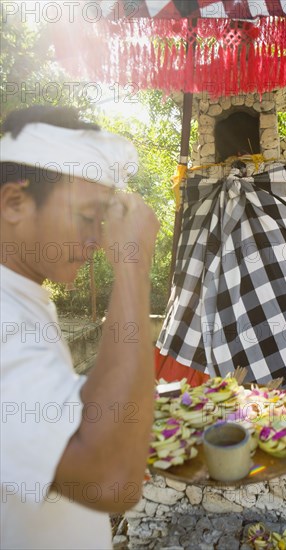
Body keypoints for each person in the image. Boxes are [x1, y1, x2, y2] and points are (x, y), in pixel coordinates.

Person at [0, 106, 160, 549]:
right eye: (87, 217)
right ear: (14, 203)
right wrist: (132, 265)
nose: (98, 238)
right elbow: (111, 479)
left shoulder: (24, 295)